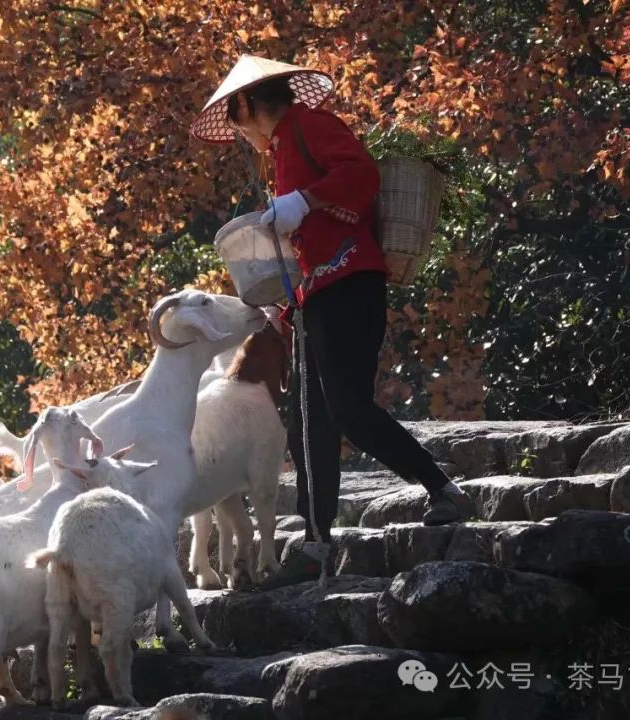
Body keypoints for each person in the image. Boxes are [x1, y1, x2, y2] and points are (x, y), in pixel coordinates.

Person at [191, 55, 474, 588]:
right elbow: (309, 238)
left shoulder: (309, 127)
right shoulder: (280, 153)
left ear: (248, 103)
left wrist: (304, 199)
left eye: (236, 115)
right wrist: (290, 297)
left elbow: (362, 176)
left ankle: (442, 489)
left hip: (350, 282)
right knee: (307, 419)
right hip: (318, 293)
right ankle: (317, 543)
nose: (237, 129)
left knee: (345, 409)